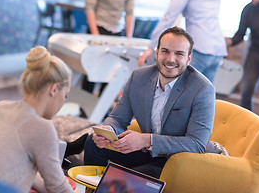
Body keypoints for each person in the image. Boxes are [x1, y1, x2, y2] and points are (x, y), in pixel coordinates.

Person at [84, 26, 215, 178]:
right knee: (92, 143)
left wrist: (147, 140)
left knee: (127, 178)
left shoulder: (202, 88)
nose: (171, 59)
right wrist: (108, 131)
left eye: (179, 54)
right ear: (157, 52)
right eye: (165, 51)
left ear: (189, 58)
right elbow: (118, 118)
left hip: (176, 160)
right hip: (146, 152)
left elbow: (197, 144)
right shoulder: (139, 77)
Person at [0, 46, 76, 193]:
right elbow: (58, 188)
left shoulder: (1, 108)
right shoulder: (41, 127)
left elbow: (15, 169)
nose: (63, 101)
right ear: (54, 89)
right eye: (66, 95)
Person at [138, 0, 227, 83]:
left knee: (180, 90)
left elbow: (169, 17)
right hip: (217, 50)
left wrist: (151, 47)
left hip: (200, 49)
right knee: (204, 96)